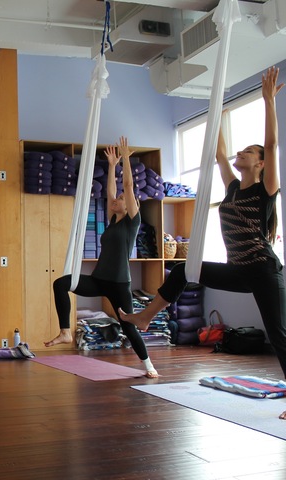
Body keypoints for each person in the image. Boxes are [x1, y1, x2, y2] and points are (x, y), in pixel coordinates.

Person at [120, 66, 286, 419]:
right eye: (239, 151)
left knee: (278, 333)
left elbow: (272, 145)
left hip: (264, 270)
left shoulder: (264, 190)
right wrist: (216, 108)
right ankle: (146, 317)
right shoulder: (231, 187)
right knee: (183, 270)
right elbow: (219, 153)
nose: (239, 155)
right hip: (239, 270)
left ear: (260, 164)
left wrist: (268, 102)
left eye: (247, 153)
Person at [44, 136, 159, 378]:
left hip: (119, 284)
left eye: (120, 201)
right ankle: (66, 331)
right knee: (61, 283)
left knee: (128, 327)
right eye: (115, 201)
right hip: (99, 280)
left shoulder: (132, 223)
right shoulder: (112, 222)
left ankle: (148, 365)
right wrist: (111, 165)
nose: (116, 201)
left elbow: (127, 187)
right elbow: (110, 191)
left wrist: (126, 160)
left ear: (129, 207)